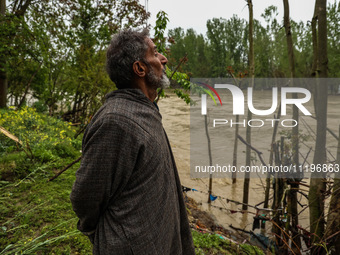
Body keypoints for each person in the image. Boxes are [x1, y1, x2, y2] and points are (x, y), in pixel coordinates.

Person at [70, 28, 195, 255]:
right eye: (155, 53)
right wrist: (107, 234)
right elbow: (85, 198)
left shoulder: (144, 110)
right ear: (140, 68)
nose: (163, 59)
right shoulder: (116, 121)